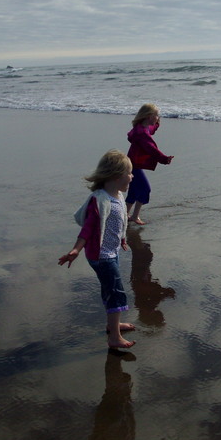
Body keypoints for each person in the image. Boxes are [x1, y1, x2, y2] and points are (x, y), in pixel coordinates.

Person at [58, 149, 136, 349]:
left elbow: (118, 223)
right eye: (129, 173)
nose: (132, 176)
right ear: (117, 176)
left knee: (110, 290)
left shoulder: (117, 196)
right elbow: (88, 229)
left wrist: (122, 239)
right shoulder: (100, 200)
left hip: (112, 252)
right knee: (116, 293)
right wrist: (76, 250)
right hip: (101, 256)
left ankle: (114, 325)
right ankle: (114, 338)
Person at [125, 103, 174, 225]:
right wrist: (164, 159)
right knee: (145, 189)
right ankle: (134, 216)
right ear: (149, 116)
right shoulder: (141, 133)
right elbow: (151, 148)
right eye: (157, 115)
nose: (158, 117)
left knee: (134, 191)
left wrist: (157, 124)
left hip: (131, 164)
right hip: (133, 165)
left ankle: (125, 215)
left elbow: (151, 129)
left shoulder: (142, 127)